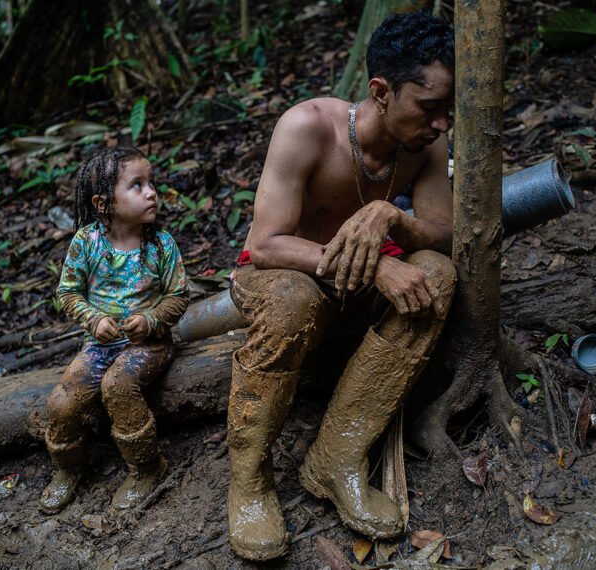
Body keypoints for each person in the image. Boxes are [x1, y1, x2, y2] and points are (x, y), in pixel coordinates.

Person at [226, 12, 457, 560]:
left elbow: (443, 234)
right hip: (285, 276)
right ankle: (249, 480)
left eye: (449, 110)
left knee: (438, 276)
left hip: (353, 290)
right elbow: (266, 245)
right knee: (292, 299)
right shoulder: (307, 127)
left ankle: (337, 457)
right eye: (429, 108)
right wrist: (376, 266)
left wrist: (392, 217)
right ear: (381, 92)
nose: (442, 124)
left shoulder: (424, 147)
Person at [39, 146, 189, 514]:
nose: (152, 192)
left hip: (149, 345)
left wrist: (151, 320)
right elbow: (68, 293)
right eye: (137, 186)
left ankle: (147, 467)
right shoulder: (86, 243)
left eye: (151, 182)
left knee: (119, 386)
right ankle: (69, 469)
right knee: (61, 402)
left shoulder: (162, 245)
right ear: (103, 203)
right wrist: (94, 319)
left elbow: (179, 296)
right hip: (99, 346)